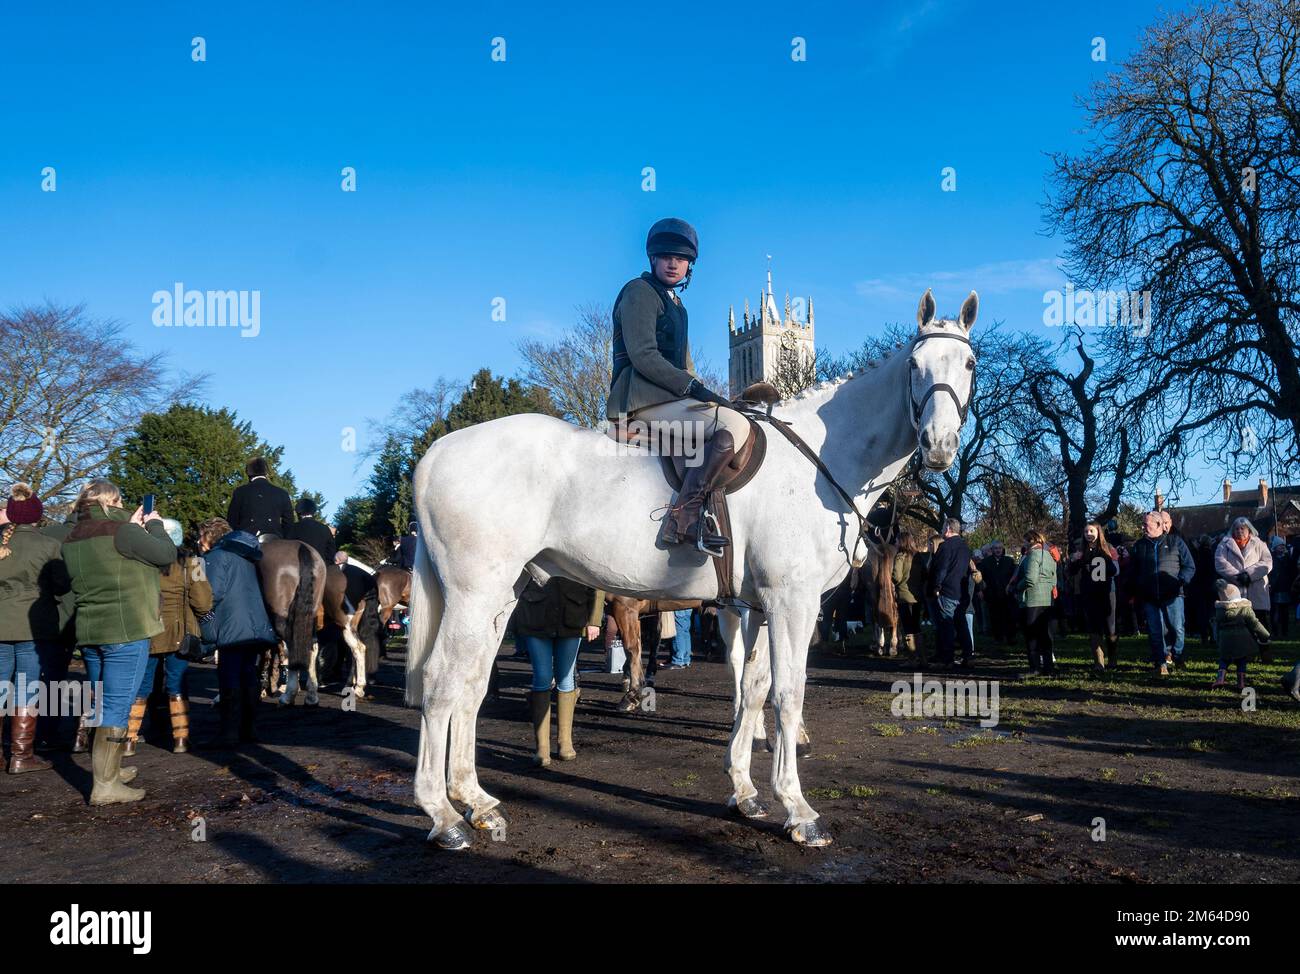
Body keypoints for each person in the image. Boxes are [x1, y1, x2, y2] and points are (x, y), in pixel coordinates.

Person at [608, 218, 749, 555]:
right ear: (652, 259)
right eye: (666, 255)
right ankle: (682, 518)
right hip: (639, 397)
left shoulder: (676, 305)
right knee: (732, 426)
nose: (673, 263)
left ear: (689, 266)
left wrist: (712, 394)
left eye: (681, 258)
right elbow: (643, 356)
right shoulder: (639, 292)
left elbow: (686, 367)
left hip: (667, 397)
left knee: (733, 415)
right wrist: (694, 389)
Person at [61, 479, 177, 804]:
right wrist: (153, 524)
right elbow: (166, 553)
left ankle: (110, 770)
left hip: (90, 631)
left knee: (102, 702)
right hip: (125, 630)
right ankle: (105, 784)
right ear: (112, 501)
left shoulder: (72, 537)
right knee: (117, 704)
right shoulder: (123, 532)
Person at [125, 518, 212, 756]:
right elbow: (203, 602)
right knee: (177, 684)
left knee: (142, 685)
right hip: (180, 632)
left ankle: (129, 741)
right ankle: (181, 740)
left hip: (148, 630)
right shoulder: (192, 563)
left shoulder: (142, 563)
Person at [0, 484, 70, 773]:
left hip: (0, 625)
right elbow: (63, 585)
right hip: (34, 625)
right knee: (26, 687)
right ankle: (21, 756)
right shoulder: (48, 546)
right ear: (38, 516)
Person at [198, 518, 276, 747]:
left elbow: (211, 595)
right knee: (248, 674)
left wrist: (205, 620)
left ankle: (229, 732)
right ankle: (249, 729)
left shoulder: (215, 558)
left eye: (201, 535)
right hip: (254, 626)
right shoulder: (248, 558)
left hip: (232, 627)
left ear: (209, 536)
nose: (199, 541)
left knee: (229, 676)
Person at [514, 577, 604, 766]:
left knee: (566, 679)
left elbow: (595, 578)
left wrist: (594, 620)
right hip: (535, 615)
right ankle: (542, 748)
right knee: (542, 677)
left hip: (573, 615)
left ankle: (565, 742)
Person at [1130, 510, 1196, 675]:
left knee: (1176, 627)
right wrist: (1137, 586)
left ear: (1158, 524)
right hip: (1150, 596)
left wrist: (1180, 581)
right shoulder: (1139, 546)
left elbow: (1189, 566)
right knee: (1155, 630)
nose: (1143, 527)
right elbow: (1133, 570)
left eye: (1146, 524)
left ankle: (1178, 655)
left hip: (1173, 594)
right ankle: (1160, 662)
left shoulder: (1176, 542)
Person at [1213, 517, 1272, 660]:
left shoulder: (1259, 544)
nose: (1240, 531)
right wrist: (1237, 576)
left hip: (1256, 588)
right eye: (1237, 529)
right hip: (1235, 589)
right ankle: (1245, 653)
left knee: (1260, 622)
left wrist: (1249, 575)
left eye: (1243, 529)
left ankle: (1265, 651)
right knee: (1240, 623)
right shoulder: (1224, 545)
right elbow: (1220, 562)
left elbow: (1267, 562)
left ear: (1249, 529)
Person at [1070, 523, 1120, 673]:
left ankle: (1112, 659)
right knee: (1093, 627)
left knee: (1110, 627)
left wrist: (1105, 562)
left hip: (1106, 592)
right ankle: (1099, 662)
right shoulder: (1081, 550)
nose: (1088, 534)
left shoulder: (1107, 548)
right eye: (1086, 531)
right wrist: (1074, 560)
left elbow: (1114, 571)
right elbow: (1072, 571)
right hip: (1089, 593)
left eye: (1091, 530)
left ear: (1098, 532)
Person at [928, 518, 973, 668]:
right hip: (960, 592)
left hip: (946, 591)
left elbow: (941, 569)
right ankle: (968, 655)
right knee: (961, 624)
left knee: (945, 625)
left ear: (948, 528)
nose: (941, 531)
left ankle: (947, 659)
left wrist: (937, 586)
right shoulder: (965, 547)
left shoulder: (945, 547)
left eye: (942, 528)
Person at [1210, 581, 1269, 691]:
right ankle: (1241, 682)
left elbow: (1216, 626)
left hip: (1225, 639)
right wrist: (1264, 634)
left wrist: (1216, 639)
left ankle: (1220, 679)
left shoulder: (1220, 611)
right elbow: (1254, 623)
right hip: (1242, 638)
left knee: (1224, 659)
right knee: (1241, 660)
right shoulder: (1244, 608)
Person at [1015, 531, 1058, 674]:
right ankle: (1048, 667)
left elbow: (1030, 579)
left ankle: (1034, 668)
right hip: (1048, 599)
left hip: (1032, 599)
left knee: (1031, 635)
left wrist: (1017, 587)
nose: (1024, 544)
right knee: (1045, 635)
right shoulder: (1050, 555)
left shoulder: (1033, 555)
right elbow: (1054, 579)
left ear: (1032, 540)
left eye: (1026, 541)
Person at [225, 457, 293, 541]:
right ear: (266, 472)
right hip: (275, 537)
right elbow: (288, 523)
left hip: (246, 537)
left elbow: (231, 521)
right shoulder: (282, 493)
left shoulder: (240, 492)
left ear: (248, 473)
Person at [892, 531, 925, 659]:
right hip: (917, 597)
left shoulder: (900, 556)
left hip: (904, 597)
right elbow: (925, 574)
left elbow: (897, 577)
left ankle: (912, 659)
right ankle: (922, 658)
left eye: (896, 540)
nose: (895, 543)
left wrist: (892, 577)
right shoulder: (918, 556)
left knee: (908, 628)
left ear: (902, 542)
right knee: (916, 627)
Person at [978, 541, 1017, 644]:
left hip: (1007, 594)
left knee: (1009, 616)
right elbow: (980, 578)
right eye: (996, 548)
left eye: (1000, 548)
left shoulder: (1009, 561)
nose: (998, 550)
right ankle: (998, 637)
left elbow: (1014, 576)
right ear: (992, 550)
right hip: (992, 593)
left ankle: (1010, 637)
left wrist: (1013, 588)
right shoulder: (986, 562)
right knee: (995, 616)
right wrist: (981, 590)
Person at [286, 497, 336, 564]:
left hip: (297, 566)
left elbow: (286, 549)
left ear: (298, 512)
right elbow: (331, 552)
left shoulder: (292, 527)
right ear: (313, 512)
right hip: (320, 567)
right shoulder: (325, 529)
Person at [1268, 537, 1294, 639]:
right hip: (1274, 589)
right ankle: (1275, 631)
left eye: (1283, 545)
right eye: (1280, 545)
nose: (1282, 547)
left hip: (1285, 588)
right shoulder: (1271, 559)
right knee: (1274, 612)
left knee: (1285, 612)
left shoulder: (1288, 558)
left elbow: (1292, 572)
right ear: (1275, 547)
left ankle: (1284, 631)